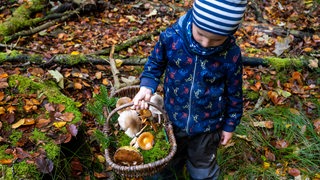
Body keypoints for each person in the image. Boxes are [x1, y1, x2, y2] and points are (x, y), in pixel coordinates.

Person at [132, 0, 247, 179]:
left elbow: (235, 93)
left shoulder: (230, 54)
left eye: (216, 39)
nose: (206, 43)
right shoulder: (172, 38)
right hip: (172, 118)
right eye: (200, 34)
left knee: (203, 169)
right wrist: (147, 85)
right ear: (193, 19)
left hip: (208, 126)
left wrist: (230, 125)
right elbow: (155, 62)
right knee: (166, 163)